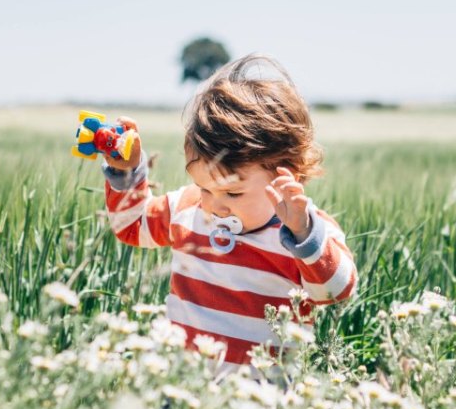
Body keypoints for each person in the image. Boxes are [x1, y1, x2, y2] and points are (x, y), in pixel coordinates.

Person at [100, 53, 358, 369]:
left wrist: (304, 234)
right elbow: (132, 226)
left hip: (262, 400)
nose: (213, 205)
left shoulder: (306, 232)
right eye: (204, 187)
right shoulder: (187, 208)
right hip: (182, 388)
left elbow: (335, 291)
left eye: (232, 192)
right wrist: (126, 173)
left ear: (285, 174)